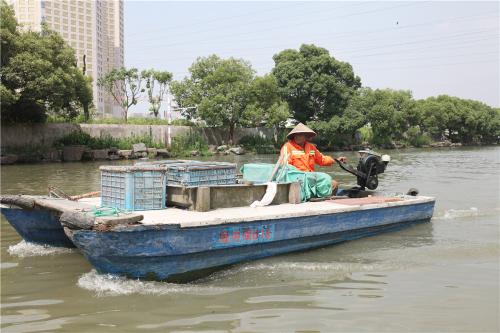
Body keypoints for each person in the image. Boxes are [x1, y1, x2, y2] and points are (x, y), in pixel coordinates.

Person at [280, 123, 347, 195]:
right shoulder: (287, 147)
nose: (297, 137)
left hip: (311, 178)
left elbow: (322, 159)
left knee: (334, 184)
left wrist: (335, 160)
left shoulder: (311, 147)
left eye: (300, 134)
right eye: (295, 135)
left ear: (306, 136)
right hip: (296, 180)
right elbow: (285, 168)